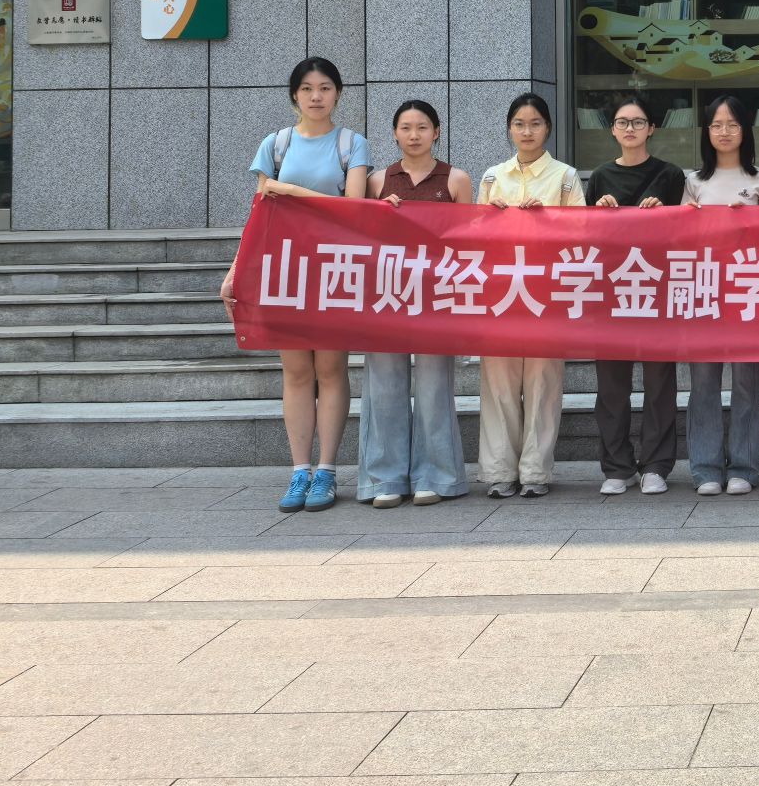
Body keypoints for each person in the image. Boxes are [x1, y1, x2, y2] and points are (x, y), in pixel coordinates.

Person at [226, 57, 370, 514]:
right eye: (307, 88)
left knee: (330, 369)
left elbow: (352, 208)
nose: (316, 96)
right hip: (284, 268)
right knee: (295, 372)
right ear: (294, 95)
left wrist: (289, 191)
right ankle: (299, 470)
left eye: (325, 87)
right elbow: (260, 213)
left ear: (338, 93)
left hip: (333, 268)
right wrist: (235, 271)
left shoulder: (352, 144)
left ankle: (327, 469)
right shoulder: (276, 144)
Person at [360, 99, 472, 509]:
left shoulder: (456, 179)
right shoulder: (376, 180)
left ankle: (436, 475)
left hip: (436, 296)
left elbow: (469, 240)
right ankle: (384, 478)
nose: (414, 135)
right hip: (386, 294)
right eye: (406, 127)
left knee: (433, 387)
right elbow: (361, 236)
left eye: (422, 127)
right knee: (384, 387)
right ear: (394, 133)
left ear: (436, 132)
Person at [477, 92, 585, 498]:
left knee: (543, 383)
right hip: (502, 293)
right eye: (519, 124)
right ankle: (499, 471)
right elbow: (475, 238)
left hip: (545, 293)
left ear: (548, 128)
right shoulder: (492, 177)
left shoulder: (565, 176)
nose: (527, 131)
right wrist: (490, 218)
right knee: (498, 384)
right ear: (509, 128)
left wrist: (549, 220)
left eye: (535, 123)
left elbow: (582, 235)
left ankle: (536, 472)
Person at [587, 96, 686, 496]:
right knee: (612, 385)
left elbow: (684, 235)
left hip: (657, 287)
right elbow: (587, 238)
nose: (630, 129)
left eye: (638, 122)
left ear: (652, 129)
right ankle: (617, 466)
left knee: (660, 382)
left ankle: (656, 465)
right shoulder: (600, 176)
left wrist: (663, 215)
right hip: (612, 290)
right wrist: (599, 213)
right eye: (623, 122)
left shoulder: (671, 175)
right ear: (612, 129)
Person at [682, 94, 759, 495]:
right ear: (706, 131)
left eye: (732, 125)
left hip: (748, 292)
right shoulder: (694, 182)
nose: (724, 132)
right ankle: (704, 468)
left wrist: (750, 222)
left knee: (746, 382)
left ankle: (744, 467)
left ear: (745, 130)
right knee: (703, 382)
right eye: (716, 125)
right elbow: (680, 241)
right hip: (705, 291)